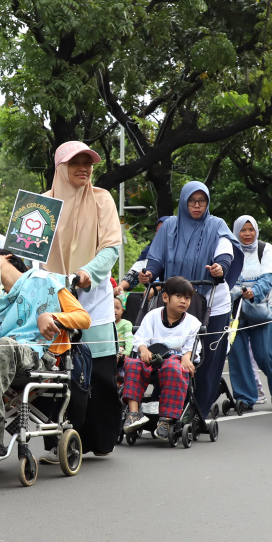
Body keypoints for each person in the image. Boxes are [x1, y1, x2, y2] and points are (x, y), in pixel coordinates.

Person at [0, 249, 90, 457]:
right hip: (1, 354)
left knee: (5, 345)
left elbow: (84, 318)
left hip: (38, 354)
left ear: (7, 257)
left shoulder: (44, 279)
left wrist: (51, 317)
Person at [42, 141, 121, 456]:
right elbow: (24, 252)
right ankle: (59, 441)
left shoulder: (103, 199)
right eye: (75, 162)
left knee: (99, 375)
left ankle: (99, 440)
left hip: (92, 301)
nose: (84, 168)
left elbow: (111, 247)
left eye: (88, 163)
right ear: (60, 167)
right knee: (54, 374)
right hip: (51, 301)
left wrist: (87, 272)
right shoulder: (41, 205)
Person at [140, 181, 242, 421]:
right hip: (175, 301)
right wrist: (149, 274)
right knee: (169, 352)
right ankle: (170, 404)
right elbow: (156, 258)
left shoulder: (216, 224)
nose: (197, 206)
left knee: (207, 357)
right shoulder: (169, 226)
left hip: (211, 300)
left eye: (202, 201)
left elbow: (225, 251)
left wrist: (220, 267)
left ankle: (200, 409)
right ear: (184, 202)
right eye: (192, 201)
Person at [121, 276, 201, 440]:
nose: (183, 301)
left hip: (175, 361)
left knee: (173, 367)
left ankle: (166, 420)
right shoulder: (152, 316)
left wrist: (187, 357)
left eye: (187, 298)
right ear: (165, 297)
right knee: (132, 364)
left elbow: (192, 347)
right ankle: (134, 414)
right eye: (178, 296)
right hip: (151, 358)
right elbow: (140, 339)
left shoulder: (193, 323)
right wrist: (143, 349)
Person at [227, 216, 272, 411]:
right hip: (235, 307)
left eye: (251, 229)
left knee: (265, 354)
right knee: (237, 354)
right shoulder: (229, 249)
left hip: (263, 305)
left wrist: (254, 291)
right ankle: (245, 397)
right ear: (236, 232)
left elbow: (269, 278)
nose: (247, 234)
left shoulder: (265, 249)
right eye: (243, 230)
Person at [116, 216, 169, 294]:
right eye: (158, 230)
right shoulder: (149, 252)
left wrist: (156, 288)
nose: (160, 234)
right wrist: (120, 287)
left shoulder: (181, 253)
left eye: (164, 230)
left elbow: (180, 279)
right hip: (153, 299)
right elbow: (133, 275)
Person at [114, 296, 133, 360]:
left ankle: (114, 367)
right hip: (108, 348)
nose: (114, 310)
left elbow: (129, 339)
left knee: (117, 353)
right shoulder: (106, 324)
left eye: (117, 308)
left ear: (122, 310)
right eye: (112, 308)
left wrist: (126, 353)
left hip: (120, 348)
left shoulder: (126, 324)